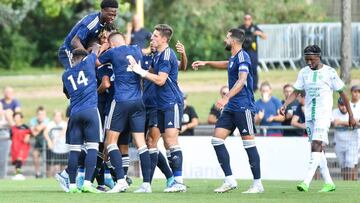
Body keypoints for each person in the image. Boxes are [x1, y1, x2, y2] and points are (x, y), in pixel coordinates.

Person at [192, 28, 263, 193]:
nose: (225, 39)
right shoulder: (234, 58)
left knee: (249, 144)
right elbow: (227, 64)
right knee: (217, 140)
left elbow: (243, 79)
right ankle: (230, 180)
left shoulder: (243, 56)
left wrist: (226, 97)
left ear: (233, 40)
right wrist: (207, 63)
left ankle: (258, 184)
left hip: (243, 106)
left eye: (227, 37)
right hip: (232, 108)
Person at [280, 45, 357, 192]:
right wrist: (285, 105)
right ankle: (329, 183)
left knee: (316, 144)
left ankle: (306, 182)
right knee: (317, 149)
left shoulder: (329, 72)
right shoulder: (303, 72)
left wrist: (351, 116)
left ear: (318, 56)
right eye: (306, 59)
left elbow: (343, 95)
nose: (309, 62)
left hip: (323, 115)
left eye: (311, 59)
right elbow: (296, 92)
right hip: (310, 115)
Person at [128, 24, 186, 192]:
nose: (151, 38)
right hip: (159, 104)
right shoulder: (158, 55)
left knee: (170, 141)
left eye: (154, 36)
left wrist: (141, 72)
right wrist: (137, 67)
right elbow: (150, 72)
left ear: (163, 39)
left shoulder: (167, 55)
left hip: (171, 103)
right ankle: (148, 184)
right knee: (153, 141)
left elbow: (160, 80)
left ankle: (178, 182)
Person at [97, 32, 152, 193]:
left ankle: (120, 180)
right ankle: (146, 184)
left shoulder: (112, 52)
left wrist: (103, 49)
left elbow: (96, 62)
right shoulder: (136, 49)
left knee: (110, 142)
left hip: (121, 100)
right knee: (141, 144)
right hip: (138, 101)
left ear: (112, 43)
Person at [62, 48, 102, 193]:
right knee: (92, 147)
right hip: (90, 111)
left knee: (74, 151)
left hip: (74, 113)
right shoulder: (88, 62)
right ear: (84, 58)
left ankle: (72, 186)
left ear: (73, 59)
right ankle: (86, 184)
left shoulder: (65, 75)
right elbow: (97, 49)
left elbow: (67, 94)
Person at [58, 0, 118, 70]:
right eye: (110, 14)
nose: (112, 18)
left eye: (114, 15)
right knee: (75, 74)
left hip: (81, 50)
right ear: (102, 10)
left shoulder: (105, 22)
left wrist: (94, 47)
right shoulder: (92, 22)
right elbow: (74, 41)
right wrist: (89, 57)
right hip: (69, 50)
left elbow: (93, 38)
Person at [332, 98, 360, 180]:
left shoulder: (354, 111)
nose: (343, 107)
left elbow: (357, 123)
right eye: (341, 105)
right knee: (343, 165)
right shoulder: (334, 112)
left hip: (352, 142)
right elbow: (335, 123)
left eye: (345, 105)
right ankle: (346, 183)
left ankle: (350, 183)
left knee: (350, 164)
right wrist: (349, 123)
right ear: (338, 105)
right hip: (339, 142)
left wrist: (341, 122)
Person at [238, 14, 267, 92]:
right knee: (242, 69)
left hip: (252, 51)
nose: (247, 20)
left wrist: (259, 33)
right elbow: (233, 37)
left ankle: (254, 87)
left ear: (251, 19)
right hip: (243, 51)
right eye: (245, 19)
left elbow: (265, 37)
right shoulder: (241, 28)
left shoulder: (254, 27)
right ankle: (241, 86)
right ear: (243, 20)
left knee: (253, 69)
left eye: (249, 19)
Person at [45, 111, 68, 177]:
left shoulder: (64, 124)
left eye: (58, 116)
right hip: (56, 150)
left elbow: (64, 130)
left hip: (65, 149)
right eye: (55, 116)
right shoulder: (51, 124)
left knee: (64, 168)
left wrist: (55, 140)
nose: (57, 118)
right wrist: (49, 141)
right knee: (56, 168)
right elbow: (45, 133)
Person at [30, 106, 51, 178]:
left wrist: (36, 127)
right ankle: (37, 173)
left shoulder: (47, 120)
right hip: (39, 142)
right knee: (34, 154)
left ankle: (48, 176)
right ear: (36, 115)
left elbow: (37, 129)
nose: (40, 116)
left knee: (48, 163)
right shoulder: (33, 120)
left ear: (45, 115)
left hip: (47, 143)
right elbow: (34, 133)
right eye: (39, 114)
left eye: (42, 114)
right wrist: (39, 128)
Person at [10, 112, 31, 180]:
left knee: (19, 159)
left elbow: (29, 134)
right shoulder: (12, 128)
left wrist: (28, 136)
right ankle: (18, 174)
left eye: (18, 117)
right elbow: (11, 137)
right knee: (17, 162)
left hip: (23, 146)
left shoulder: (25, 127)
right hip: (15, 147)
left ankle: (19, 174)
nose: (16, 118)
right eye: (15, 117)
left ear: (21, 118)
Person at [0, 101, 14, 178]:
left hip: (5, 140)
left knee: (3, 161)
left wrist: (8, 117)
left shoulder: (6, 114)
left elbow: (13, 125)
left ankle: (2, 177)